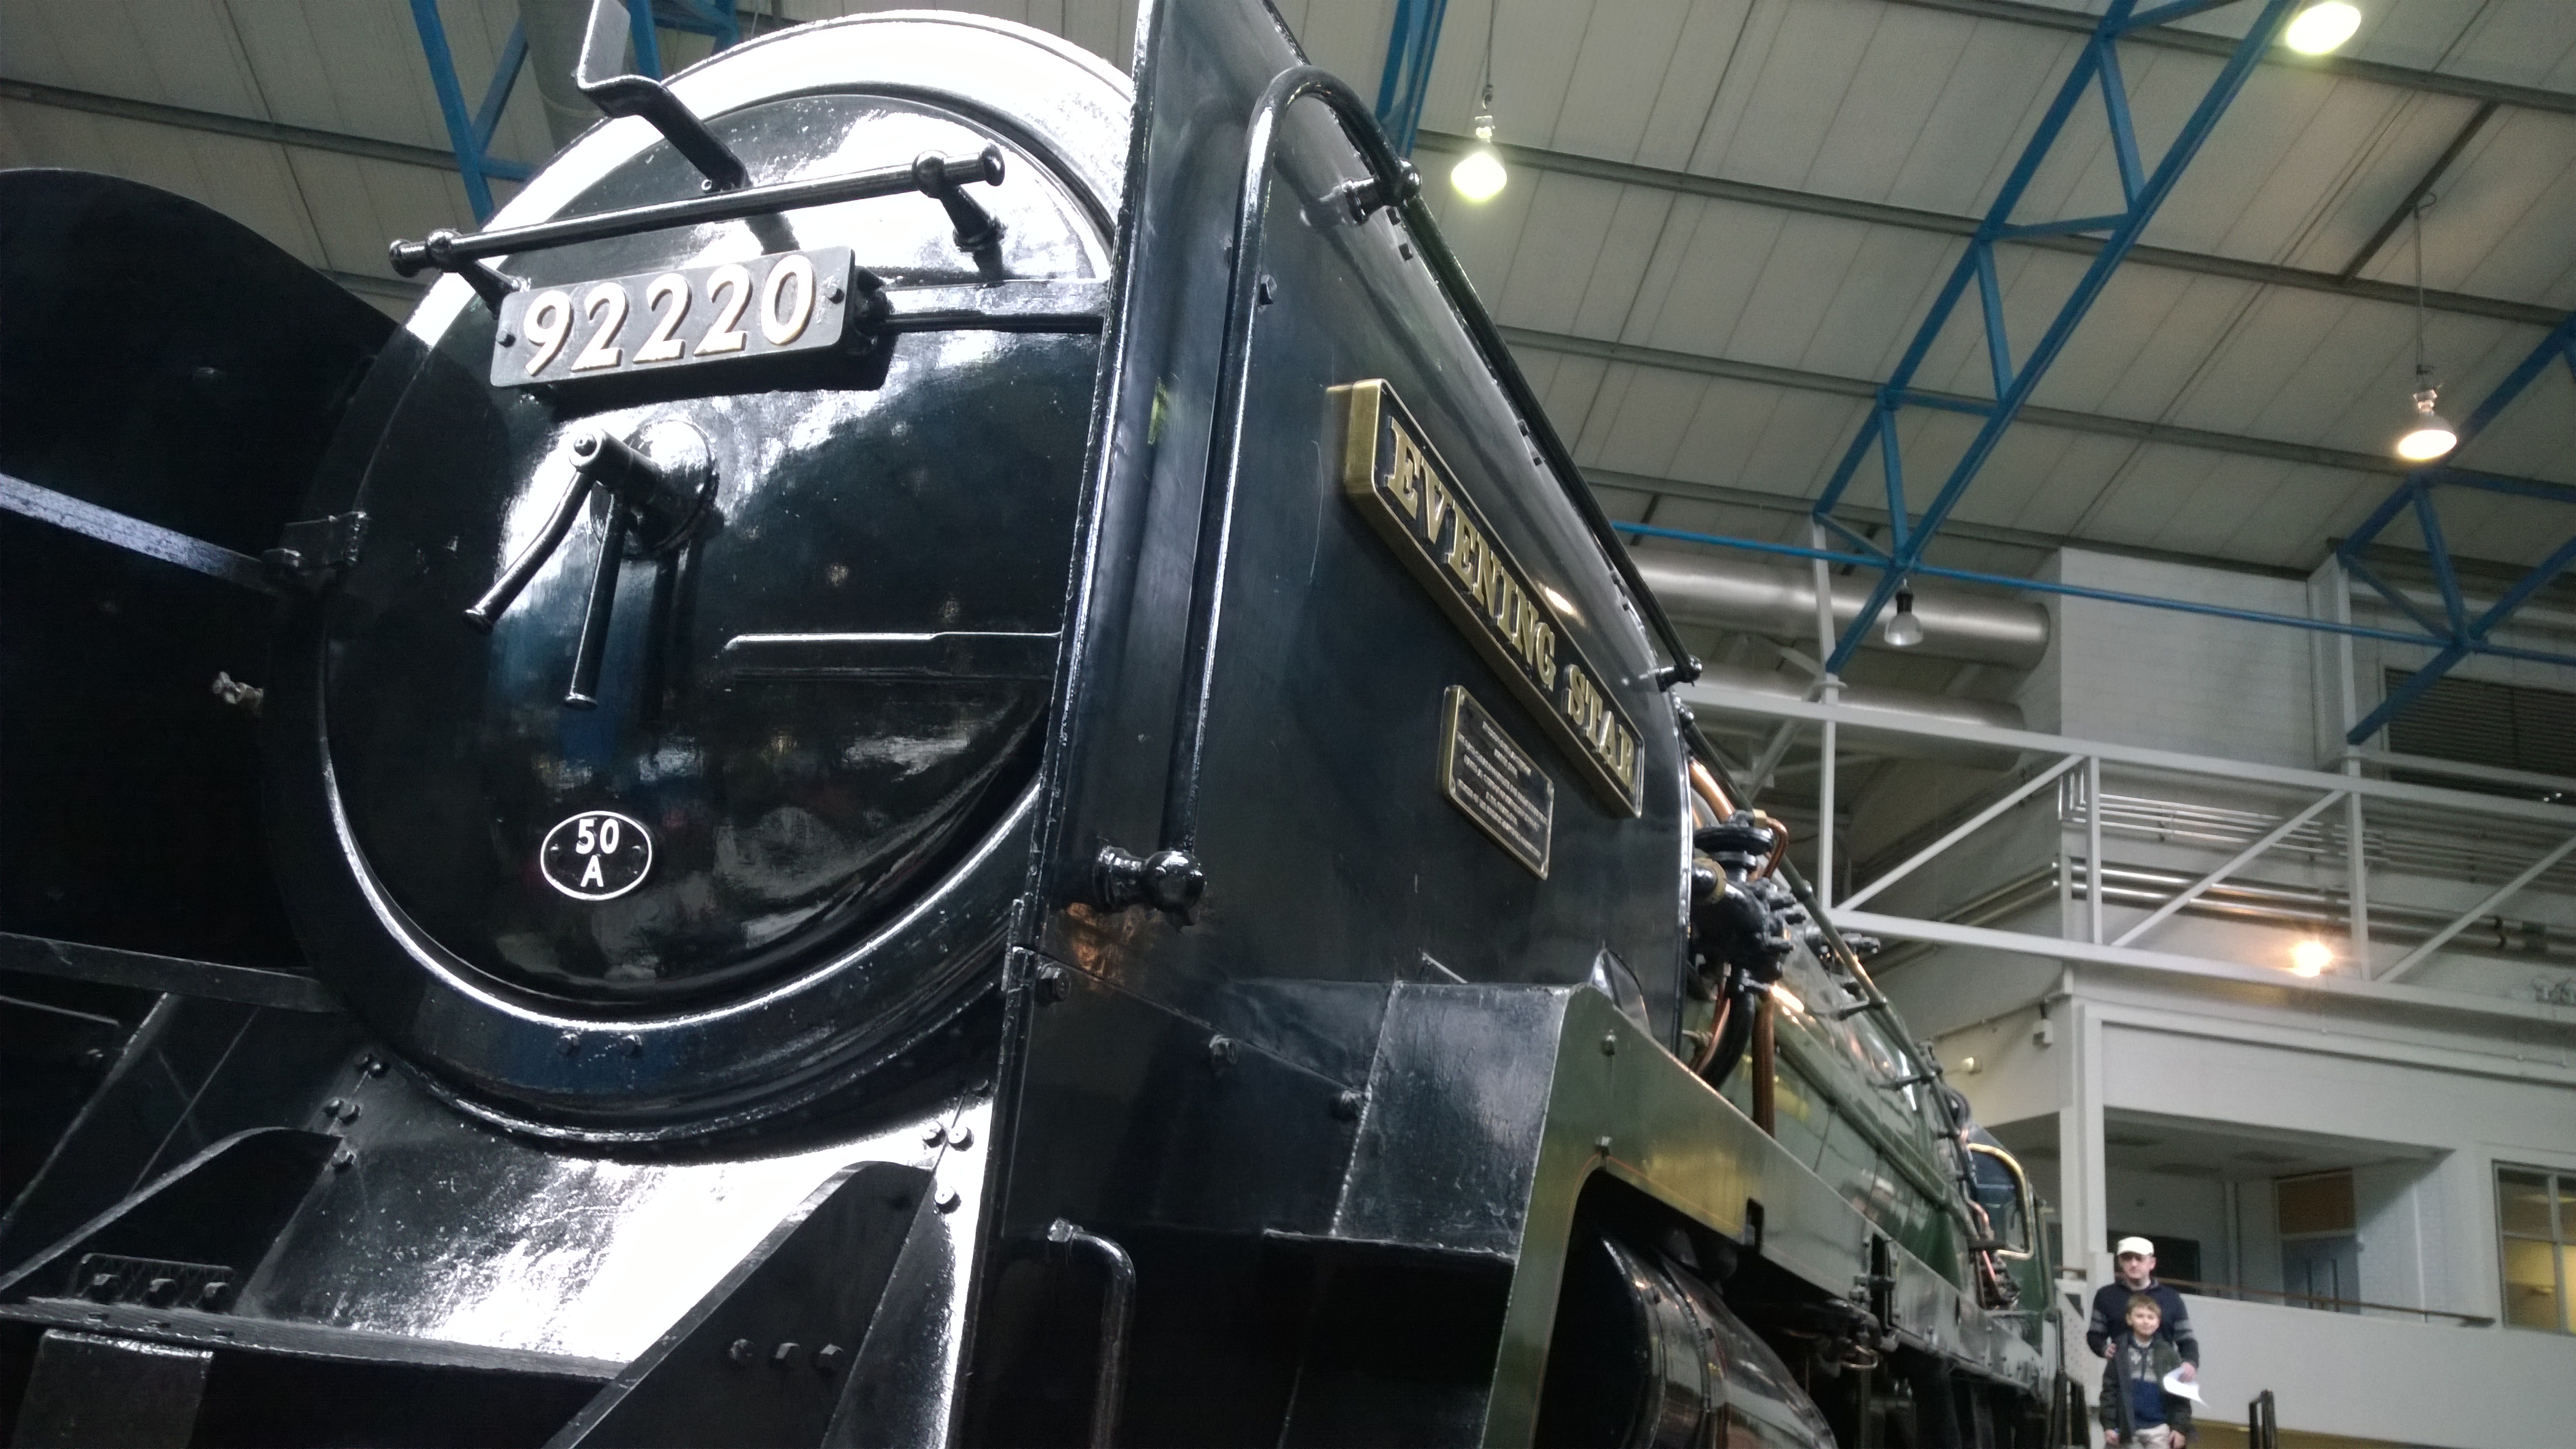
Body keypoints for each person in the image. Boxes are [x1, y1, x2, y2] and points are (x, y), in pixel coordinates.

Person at [2085, 1236, 2198, 1378]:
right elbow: (2095, 1334)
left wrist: (2190, 1362)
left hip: (2163, 1377)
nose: (2133, 1264)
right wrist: (2103, 1349)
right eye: (2127, 1258)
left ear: (2152, 1263)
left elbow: (2186, 1339)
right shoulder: (2106, 1296)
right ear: (2120, 1262)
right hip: (2121, 1379)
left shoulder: (2172, 1299)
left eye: (2139, 1258)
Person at [2099, 1294, 2193, 1448]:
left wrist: (2179, 1428)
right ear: (2129, 1319)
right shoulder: (2120, 1353)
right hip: (2128, 1429)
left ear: (2158, 1322)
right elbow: (2109, 1392)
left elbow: (2181, 1396)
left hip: (2160, 1428)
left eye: (2151, 1317)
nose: (2146, 1321)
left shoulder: (2169, 1354)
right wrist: (2109, 1425)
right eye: (2140, 1316)